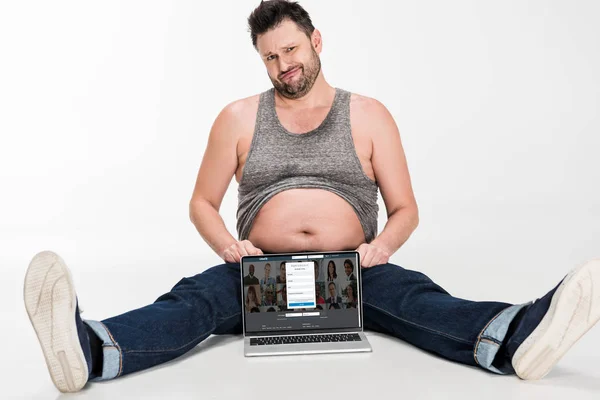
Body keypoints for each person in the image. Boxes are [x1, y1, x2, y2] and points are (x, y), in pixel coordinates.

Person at [22, 0, 600, 393]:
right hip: (261, 273)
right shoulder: (238, 117)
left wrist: (383, 248)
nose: (283, 65)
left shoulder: (370, 115)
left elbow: (405, 211)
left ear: (316, 40)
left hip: (352, 272)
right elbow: (201, 202)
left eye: (291, 50)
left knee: (420, 302)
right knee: (192, 304)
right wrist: (229, 247)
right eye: (270, 56)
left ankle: (518, 336)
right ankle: (89, 349)